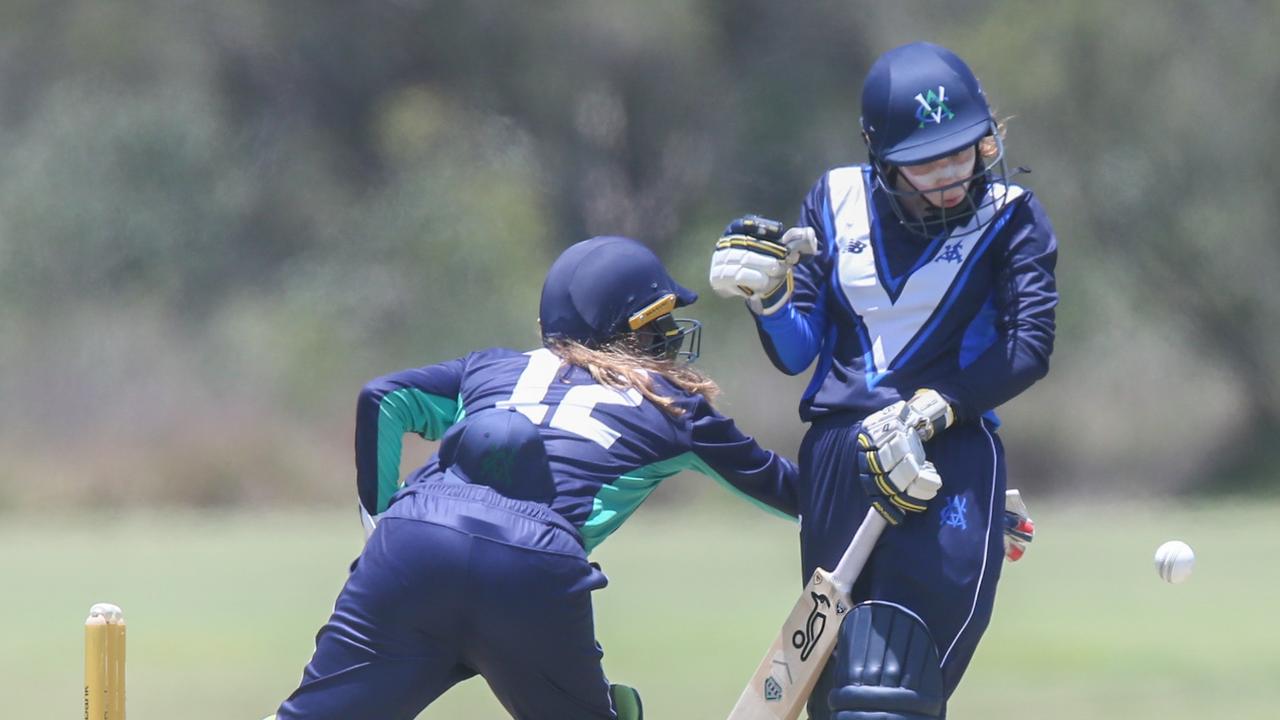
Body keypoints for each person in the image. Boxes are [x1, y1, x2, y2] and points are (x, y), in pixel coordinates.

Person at [272, 235, 801, 720]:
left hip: (414, 535)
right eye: (656, 322)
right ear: (621, 334)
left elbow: (381, 399)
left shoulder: (490, 368)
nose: (667, 337)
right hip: (533, 557)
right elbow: (797, 496)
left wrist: (382, 531)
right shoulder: (674, 407)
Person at [709, 41, 1057, 719]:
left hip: (945, 453)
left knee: (890, 693)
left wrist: (936, 410)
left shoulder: (1012, 214)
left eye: (965, 150)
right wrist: (770, 297)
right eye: (928, 162)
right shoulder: (832, 199)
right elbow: (795, 352)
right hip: (839, 460)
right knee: (841, 697)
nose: (953, 173)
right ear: (882, 157)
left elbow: (1029, 347)